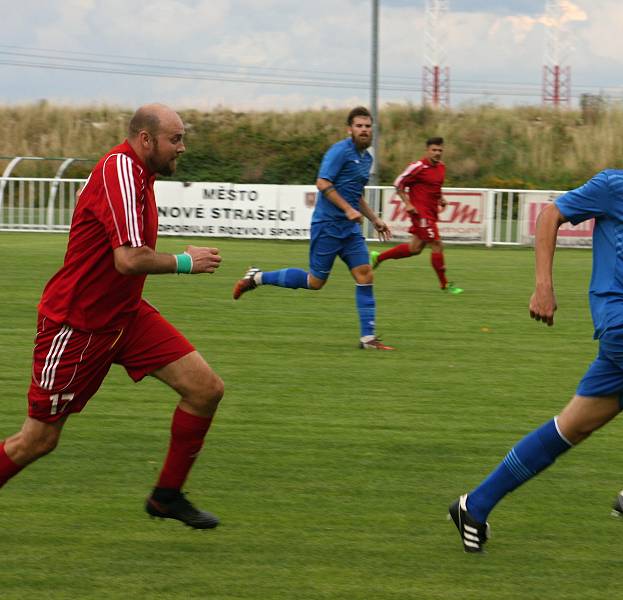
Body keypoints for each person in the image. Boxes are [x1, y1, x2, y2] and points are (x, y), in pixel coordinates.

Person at [449, 104, 623, 552]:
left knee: (572, 428)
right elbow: (551, 215)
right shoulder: (614, 185)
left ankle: (475, 504)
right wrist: (543, 286)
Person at [0, 104, 225, 529]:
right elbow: (128, 259)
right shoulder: (120, 169)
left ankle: (166, 496)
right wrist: (184, 261)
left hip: (125, 316)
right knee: (37, 440)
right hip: (78, 325)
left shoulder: (142, 174)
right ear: (146, 140)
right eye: (175, 139)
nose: (182, 147)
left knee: (205, 389)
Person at [233, 106, 395, 350]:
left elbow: (356, 193)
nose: (364, 130)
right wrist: (347, 210)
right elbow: (322, 182)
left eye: (368, 126)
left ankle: (368, 339)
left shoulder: (367, 159)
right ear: (349, 129)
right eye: (359, 126)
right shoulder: (339, 151)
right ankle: (257, 277)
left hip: (350, 230)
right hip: (328, 226)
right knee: (315, 282)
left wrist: (374, 219)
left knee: (365, 274)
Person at [370, 137, 463, 294]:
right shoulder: (418, 166)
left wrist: (440, 198)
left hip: (431, 213)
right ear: (427, 150)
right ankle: (445, 285)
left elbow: (435, 187)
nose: (437, 153)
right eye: (434, 150)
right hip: (420, 214)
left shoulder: (441, 167)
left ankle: (378, 257)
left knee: (415, 249)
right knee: (437, 244)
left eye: (440, 150)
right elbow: (398, 183)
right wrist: (407, 203)